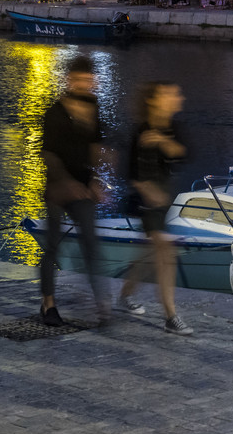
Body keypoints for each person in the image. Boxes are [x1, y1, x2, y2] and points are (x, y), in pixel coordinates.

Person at [116, 83, 193, 335]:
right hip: (145, 201)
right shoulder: (140, 131)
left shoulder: (172, 128)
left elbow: (184, 153)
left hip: (163, 200)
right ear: (153, 100)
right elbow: (130, 172)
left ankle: (125, 294)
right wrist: (147, 190)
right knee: (165, 250)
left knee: (149, 255)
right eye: (169, 94)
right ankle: (171, 316)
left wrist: (162, 140)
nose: (176, 98)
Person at [39, 55, 109, 327]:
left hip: (83, 188)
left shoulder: (93, 106)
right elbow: (48, 155)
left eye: (89, 80)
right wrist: (68, 183)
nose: (85, 85)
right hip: (58, 188)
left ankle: (102, 304)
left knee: (91, 243)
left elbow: (96, 145)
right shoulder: (55, 112)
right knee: (52, 246)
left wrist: (95, 180)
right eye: (80, 80)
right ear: (69, 80)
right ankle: (48, 304)